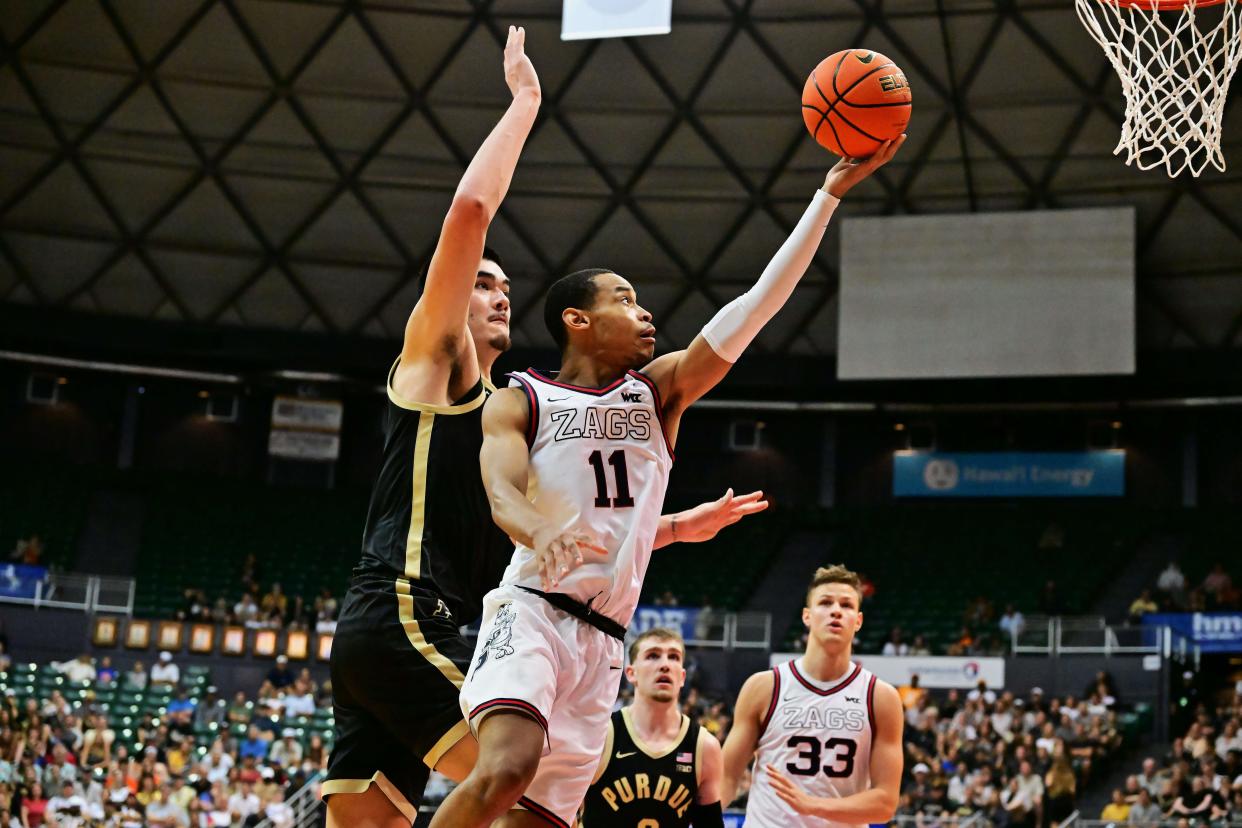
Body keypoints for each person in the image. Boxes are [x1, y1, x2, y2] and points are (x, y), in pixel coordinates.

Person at [321, 28, 767, 828]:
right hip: (408, 615)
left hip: (394, 637)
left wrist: (668, 529)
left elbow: (565, 529)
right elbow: (469, 210)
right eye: (481, 281)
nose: (495, 294)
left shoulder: (512, 408)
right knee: (537, 780)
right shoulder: (436, 366)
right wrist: (526, 104)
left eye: (505, 288)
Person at [432, 119, 904, 826]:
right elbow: (499, 489)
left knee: (539, 819)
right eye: (622, 298)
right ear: (577, 320)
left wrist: (826, 197)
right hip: (530, 610)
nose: (644, 310)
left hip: (604, 642)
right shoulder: (522, 397)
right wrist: (538, 529)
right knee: (506, 766)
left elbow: (756, 308)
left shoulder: (657, 392)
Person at [718, 565, 904, 826]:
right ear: (807, 616)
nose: (836, 611)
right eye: (825, 603)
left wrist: (814, 806)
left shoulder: (880, 697)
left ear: (858, 621)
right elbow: (726, 777)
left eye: (847, 605)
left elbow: (885, 803)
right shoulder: (764, 687)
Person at [579, 628, 723, 827]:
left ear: (682, 677)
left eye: (673, 657)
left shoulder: (704, 747)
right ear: (631, 673)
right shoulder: (601, 734)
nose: (665, 665)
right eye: (653, 656)